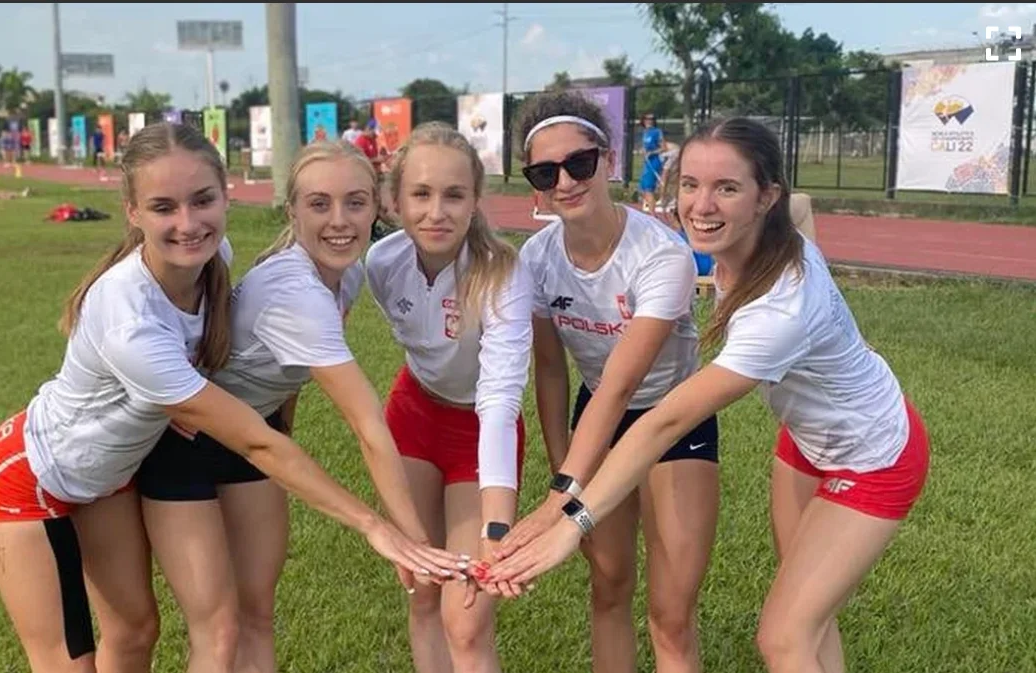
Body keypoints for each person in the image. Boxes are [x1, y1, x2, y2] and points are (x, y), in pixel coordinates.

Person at [0, 122, 465, 673]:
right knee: (68, 663)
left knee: (135, 632)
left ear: (225, 196)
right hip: (33, 477)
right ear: (132, 211)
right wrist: (377, 526)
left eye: (202, 200)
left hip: (110, 477)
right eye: (164, 207)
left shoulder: (212, 258)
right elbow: (259, 443)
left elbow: (271, 388)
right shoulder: (130, 321)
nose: (189, 224)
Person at [487, 117, 931, 673]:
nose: (701, 205)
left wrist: (569, 520)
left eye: (727, 188)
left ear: (764, 197)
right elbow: (799, 209)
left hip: (875, 454)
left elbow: (663, 422)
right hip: (804, 442)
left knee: (783, 638)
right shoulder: (758, 241)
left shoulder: (779, 311)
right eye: (691, 184)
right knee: (811, 621)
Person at [134, 139, 462, 673]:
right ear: (292, 211)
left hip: (254, 435)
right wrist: (414, 541)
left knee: (258, 615)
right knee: (217, 633)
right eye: (319, 204)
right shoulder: (297, 294)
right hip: (182, 446)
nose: (340, 221)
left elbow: (287, 377)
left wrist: (282, 428)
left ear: (377, 206)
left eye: (355, 203)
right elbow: (367, 424)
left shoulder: (347, 273)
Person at [498, 90, 720, 673]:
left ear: (609, 160)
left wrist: (558, 501)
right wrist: (561, 465)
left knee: (671, 615)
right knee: (609, 585)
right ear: (534, 184)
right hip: (597, 413)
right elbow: (550, 369)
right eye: (546, 172)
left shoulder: (661, 255)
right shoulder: (537, 258)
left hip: (674, 419)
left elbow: (624, 384)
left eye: (580, 163)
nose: (566, 182)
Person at [364, 121, 533, 673]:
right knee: (422, 591)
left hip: (479, 430)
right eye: (421, 194)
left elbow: (500, 399)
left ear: (476, 200)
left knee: (466, 616)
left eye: (454, 195)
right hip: (413, 416)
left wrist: (497, 529)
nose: (436, 212)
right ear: (394, 201)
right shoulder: (381, 263)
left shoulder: (502, 272)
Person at [639, 113, 664, 214]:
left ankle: (652, 215)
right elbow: (645, 147)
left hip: (654, 162)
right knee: (643, 188)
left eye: (651, 119)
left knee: (648, 188)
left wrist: (652, 153)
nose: (649, 121)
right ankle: (650, 210)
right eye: (647, 119)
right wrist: (642, 151)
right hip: (647, 163)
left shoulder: (657, 132)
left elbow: (663, 148)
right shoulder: (645, 132)